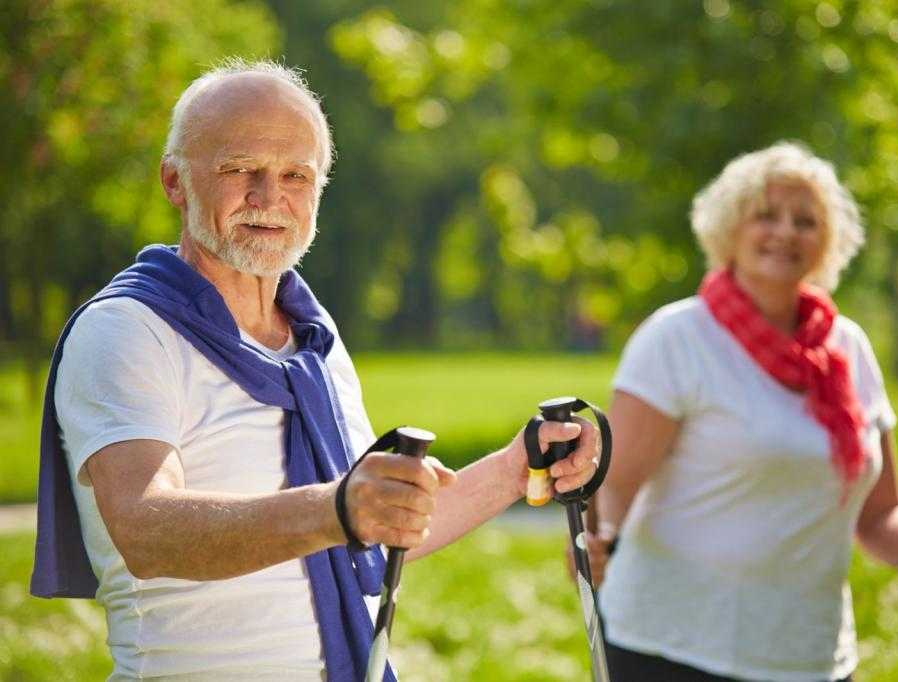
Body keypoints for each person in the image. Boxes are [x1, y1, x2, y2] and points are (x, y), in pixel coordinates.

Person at [31, 59, 599, 681]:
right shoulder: (127, 328)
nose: (268, 198)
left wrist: (520, 467)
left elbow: (374, 530)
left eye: (295, 175)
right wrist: (336, 510)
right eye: (238, 169)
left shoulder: (312, 340)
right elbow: (144, 528)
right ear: (175, 182)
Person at [585, 142, 898, 682]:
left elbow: (877, 515)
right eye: (766, 215)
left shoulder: (847, 348)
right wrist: (598, 540)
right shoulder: (678, 338)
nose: (785, 232)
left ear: (827, 243)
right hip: (673, 646)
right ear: (730, 229)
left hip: (809, 654)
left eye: (805, 221)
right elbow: (614, 484)